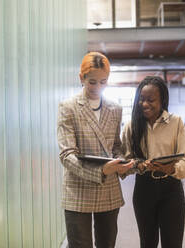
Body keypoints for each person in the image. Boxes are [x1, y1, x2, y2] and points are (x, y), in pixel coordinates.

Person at [57, 52, 134, 248]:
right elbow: (67, 155)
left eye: (103, 82)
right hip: (78, 188)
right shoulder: (68, 107)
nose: (97, 87)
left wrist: (122, 162)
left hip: (108, 189)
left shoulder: (115, 108)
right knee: (80, 244)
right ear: (81, 78)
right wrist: (101, 170)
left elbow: (115, 146)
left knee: (107, 244)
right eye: (92, 82)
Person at [122, 76, 185, 248]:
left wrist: (172, 168)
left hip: (171, 189)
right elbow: (125, 160)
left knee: (173, 243)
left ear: (162, 101)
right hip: (144, 188)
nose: (145, 104)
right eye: (141, 99)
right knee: (147, 243)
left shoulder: (176, 123)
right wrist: (137, 165)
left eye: (151, 100)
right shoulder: (132, 125)